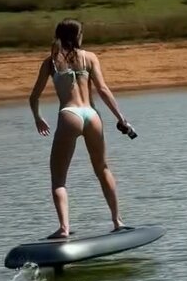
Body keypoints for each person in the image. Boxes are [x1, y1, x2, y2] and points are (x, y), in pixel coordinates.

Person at [29, 19, 128, 239]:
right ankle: (117, 220)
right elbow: (103, 90)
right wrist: (121, 118)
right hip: (92, 115)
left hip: (70, 115)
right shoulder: (90, 57)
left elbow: (34, 97)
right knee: (103, 168)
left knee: (58, 180)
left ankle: (64, 228)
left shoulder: (51, 61)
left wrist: (38, 118)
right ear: (77, 36)